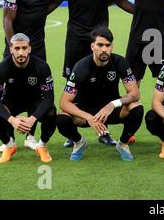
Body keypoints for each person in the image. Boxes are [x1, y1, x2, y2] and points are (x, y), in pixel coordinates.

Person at [51, 0, 134, 147]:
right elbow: (54, 1)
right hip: (75, 37)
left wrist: (143, 12)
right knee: (73, 82)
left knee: (103, 83)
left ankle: (103, 131)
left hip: (100, 37)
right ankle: (73, 134)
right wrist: (33, 16)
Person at [56, 27, 144, 161]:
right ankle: (79, 142)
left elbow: (134, 93)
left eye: (107, 45)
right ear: (92, 46)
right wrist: (89, 117)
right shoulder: (81, 67)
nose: (104, 49)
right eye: (100, 45)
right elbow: (64, 102)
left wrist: (112, 104)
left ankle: (123, 144)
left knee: (136, 108)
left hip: (111, 111)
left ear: (112, 47)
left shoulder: (120, 62)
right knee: (61, 118)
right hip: (87, 113)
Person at [2, 0, 56, 151]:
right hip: (15, 51)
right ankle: (8, 139)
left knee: (37, 94)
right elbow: (7, 20)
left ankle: (30, 136)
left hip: (38, 50)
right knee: (9, 93)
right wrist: (14, 48)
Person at [0, 33, 56, 163]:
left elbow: (49, 98)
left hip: (35, 101)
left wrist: (32, 119)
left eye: (24, 48)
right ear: (11, 49)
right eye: (17, 48)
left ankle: (42, 146)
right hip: (11, 102)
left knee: (51, 112)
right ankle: (9, 145)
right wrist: (12, 120)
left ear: (29, 49)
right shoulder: (1, 68)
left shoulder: (41, 66)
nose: (21, 52)